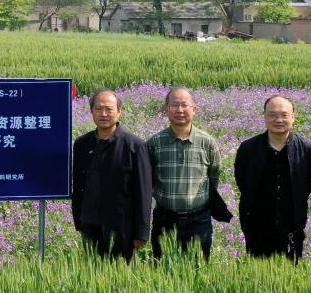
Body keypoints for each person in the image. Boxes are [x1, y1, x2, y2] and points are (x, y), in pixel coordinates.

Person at [233, 95, 311, 262]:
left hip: (292, 226)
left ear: (293, 117)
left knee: (291, 273)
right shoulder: (248, 148)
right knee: (257, 273)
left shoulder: (306, 148)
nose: (278, 120)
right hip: (257, 227)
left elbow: (308, 182)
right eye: (272, 115)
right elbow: (243, 182)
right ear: (264, 117)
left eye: (284, 115)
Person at [147, 87, 228, 261]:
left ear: (194, 109)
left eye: (184, 105)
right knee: (162, 269)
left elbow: (213, 177)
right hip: (165, 219)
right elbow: (148, 179)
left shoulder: (207, 142)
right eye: (174, 105)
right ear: (166, 110)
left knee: (198, 270)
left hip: (198, 220)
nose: (180, 110)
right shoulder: (155, 143)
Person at [71, 90, 152, 261]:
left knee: (120, 274)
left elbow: (143, 192)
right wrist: (78, 220)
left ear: (119, 112)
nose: (103, 114)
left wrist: (142, 232)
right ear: (91, 111)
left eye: (109, 109)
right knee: (91, 273)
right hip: (89, 224)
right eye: (98, 109)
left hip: (121, 227)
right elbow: (78, 184)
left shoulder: (135, 146)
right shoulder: (81, 144)